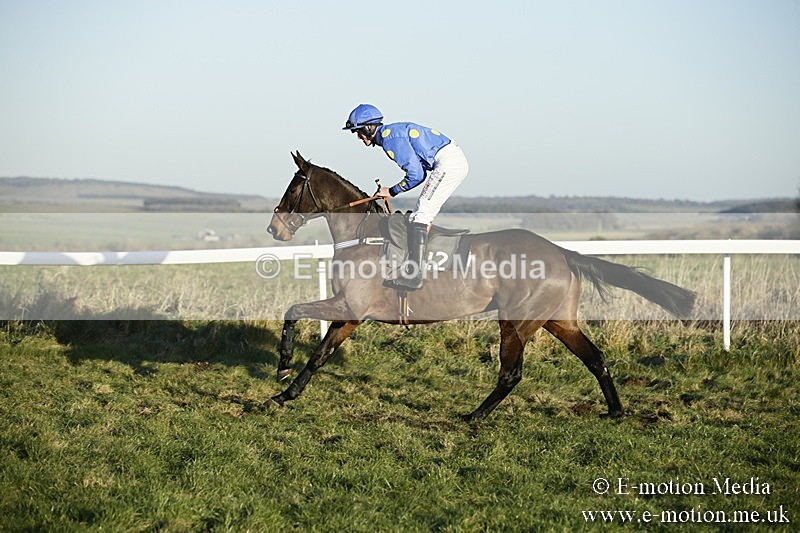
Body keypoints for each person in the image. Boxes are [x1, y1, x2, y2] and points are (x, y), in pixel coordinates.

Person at [343, 104, 469, 290]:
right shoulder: (391, 134)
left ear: (369, 128)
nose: (358, 137)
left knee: (421, 215)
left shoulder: (389, 140)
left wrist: (391, 191)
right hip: (450, 160)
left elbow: (416, 175)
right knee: (421, 213)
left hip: (448, 164)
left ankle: (415, 275)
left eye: (359, 131)